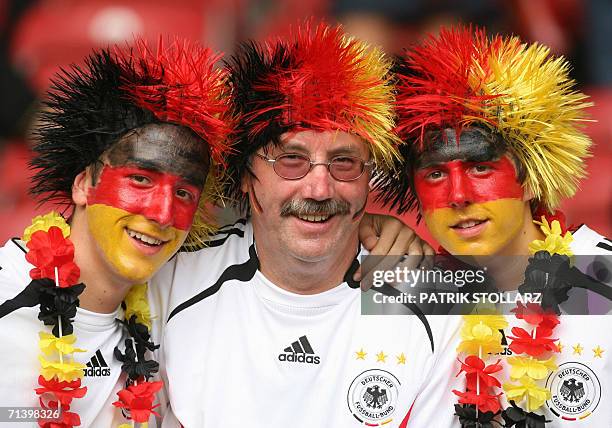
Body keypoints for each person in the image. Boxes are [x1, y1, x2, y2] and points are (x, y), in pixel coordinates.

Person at [155, 23, 461, 428]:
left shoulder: (438, 298)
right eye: (292, 160)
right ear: (246, 174)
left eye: (345, 163)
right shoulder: (169, 277)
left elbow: (558, 286)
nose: (319, 188)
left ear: (370, 179)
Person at [377, 26, 612, 427]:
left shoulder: (602, 278)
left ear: (528, 175)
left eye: (480, 167)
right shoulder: (410, 294)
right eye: (434, 174)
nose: (458, 196)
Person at [0, 37, 232, 426]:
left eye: (184, 193)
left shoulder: (182, 300)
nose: (161, 214)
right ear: (83, 185)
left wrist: (372, 240)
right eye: (140, 179)